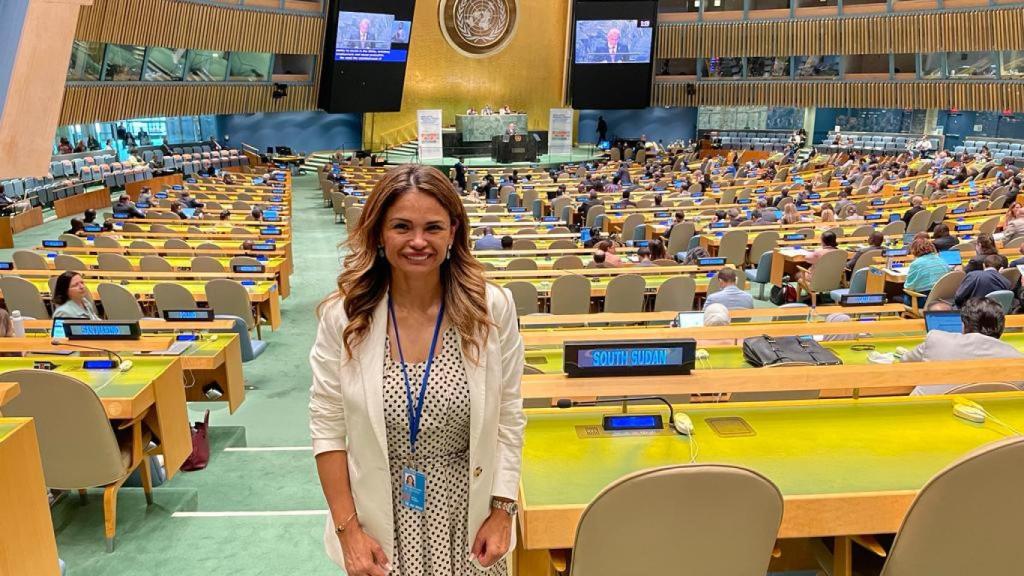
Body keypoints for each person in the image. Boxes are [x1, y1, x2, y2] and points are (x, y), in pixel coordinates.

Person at [309, 164, 524, 576]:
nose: (418, 241)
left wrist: (503, 509)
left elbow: (510, 417)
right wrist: (347, 531)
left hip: (470, 514)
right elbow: (327, 427)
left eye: (433, 227)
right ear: (378, 234)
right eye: (402, 227)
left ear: (453, 233)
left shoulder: (491, 309)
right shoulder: (345, 316)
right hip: (381, 515)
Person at [902, 298, 1022, 395]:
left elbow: (904, 362)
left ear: (964, 325)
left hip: (925, 414)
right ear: (1001, 328)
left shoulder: (936, 339)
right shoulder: (1018, 358)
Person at [904, 233, 949, 306]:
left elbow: (908, 287)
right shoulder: (942, 260)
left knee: (897, 296)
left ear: (914, 250)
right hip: (941, 299)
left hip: (924, 300)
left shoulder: (916, 264)